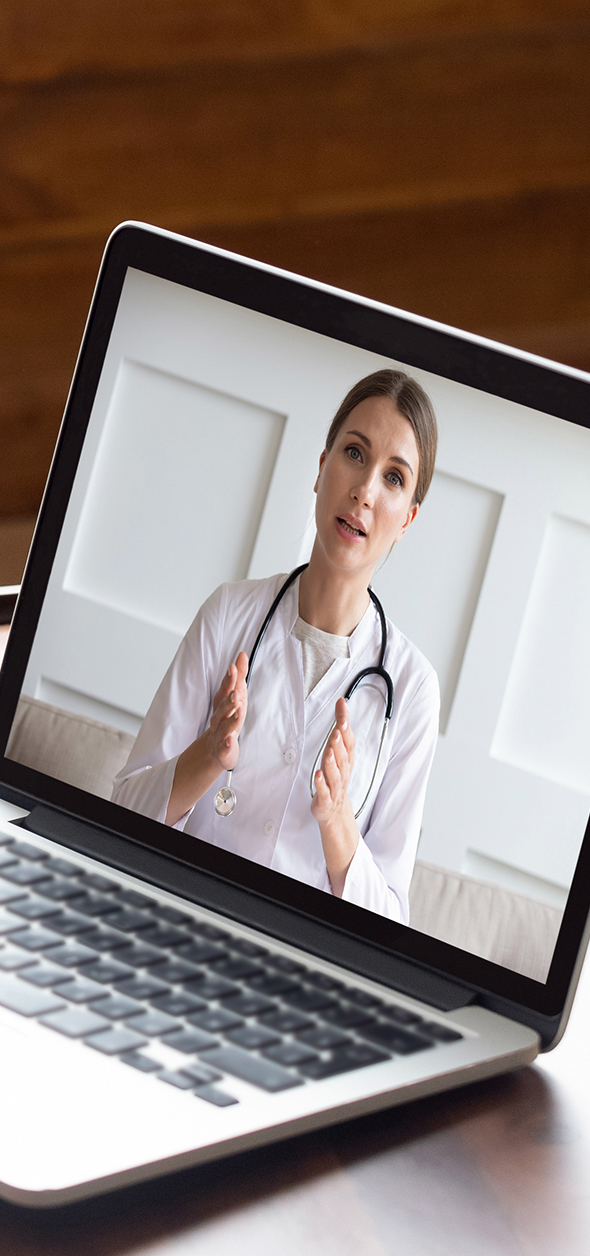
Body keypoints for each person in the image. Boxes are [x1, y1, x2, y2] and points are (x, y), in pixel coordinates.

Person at [110, 370, 442, 922]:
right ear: (320, 468)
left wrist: (337, 823)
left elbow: (390, 926)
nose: (364, 491)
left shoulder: (412, 691)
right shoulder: (228, 615)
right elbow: (121, 814)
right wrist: (209, 755)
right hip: (179, 923)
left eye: (393, 478)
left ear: (406, 520)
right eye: (354, 454)